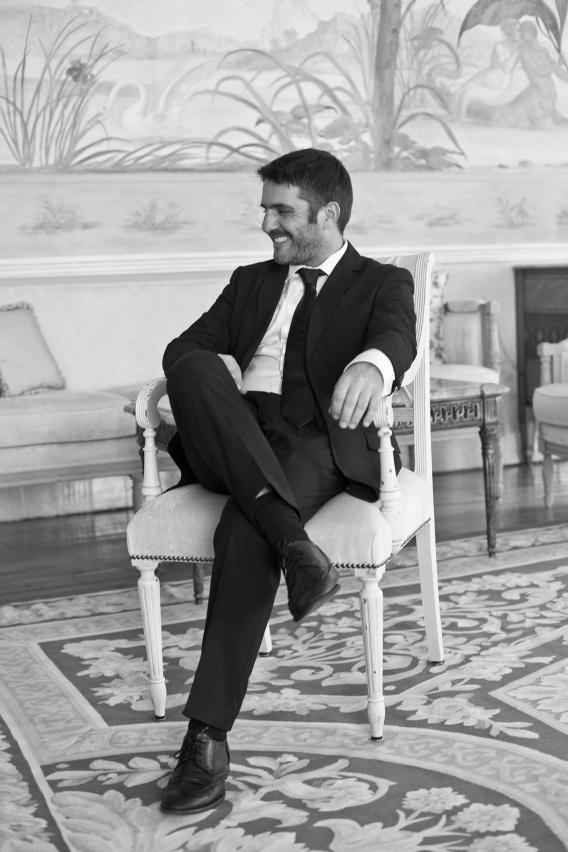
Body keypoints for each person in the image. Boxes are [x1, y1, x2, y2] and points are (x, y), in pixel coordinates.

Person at [159, 148, 417, 814]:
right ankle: (294, 542)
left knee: (244, 528)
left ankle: (206, 738)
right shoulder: (250, 281)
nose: (267, 224)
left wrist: (372, 365)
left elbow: (398, 337)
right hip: (235, 433)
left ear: (327, 214)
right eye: (265, 209)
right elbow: (186, 349)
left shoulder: (381, 281)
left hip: (314, 444)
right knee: (191, 363)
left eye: (282, 211)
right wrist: (215, 376)